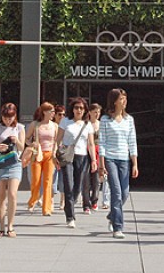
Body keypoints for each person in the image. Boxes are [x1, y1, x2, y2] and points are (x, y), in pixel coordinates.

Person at [98, 88, 138, 239]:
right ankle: (118, 227)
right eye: (121, 98)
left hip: (124, 159)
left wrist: (135, 163)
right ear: (114, 101)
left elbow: (132, 142)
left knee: (125, 193)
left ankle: (112, 215)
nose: (124, 101)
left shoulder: (129, 120)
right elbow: (102, 142)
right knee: (116, 191)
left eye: (125, 98)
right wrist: (101, 164)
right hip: (110, 158)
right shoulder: (105, 120)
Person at [56, 97, 97, 229]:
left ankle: (69, 205)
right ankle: (70, 216)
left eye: (81, 108)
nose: (78, 110)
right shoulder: (65, 121)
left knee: (78, 186)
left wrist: (94, 160)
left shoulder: (87, 124)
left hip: (82, 157)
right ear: (72, 109)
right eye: (76, 107)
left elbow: (90, 143)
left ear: (85, 110)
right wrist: (55, 154)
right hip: (68, 156)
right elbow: (58, 139)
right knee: (68, 184)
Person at [0, 102, 25, 237]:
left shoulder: (20, 128)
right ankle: (1, 227)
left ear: (15, 116)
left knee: (12, 194)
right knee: (0, 197)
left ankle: (10, 226)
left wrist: (16, 141)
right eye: (5, 117)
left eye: (10, 117)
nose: (7, 120)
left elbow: (22, 148)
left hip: (14, 163)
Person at [26, 102, 58, 216]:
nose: (53, 113)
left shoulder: (54, 126)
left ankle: (47, 208)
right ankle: (32, 200)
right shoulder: (35, 124)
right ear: (44, 112)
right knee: (36, 180)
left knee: (48, 181)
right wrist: (32, 144)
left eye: (53, 111)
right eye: (51, 111)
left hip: (50, 155)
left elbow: (57, 141)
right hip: (37, 154)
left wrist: (55, 152)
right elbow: (27, 139)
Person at [81, 102, 103, 212]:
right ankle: (86, 203)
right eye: (95, 112)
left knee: (96, 179)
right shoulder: (85, 124)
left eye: (98, 112)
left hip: (98, 152)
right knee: (85, 179)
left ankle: (94, 200)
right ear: (89, 112)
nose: (97, 114)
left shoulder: (101, 124)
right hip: (85, 151)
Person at [52, 104, 66, 211]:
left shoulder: (66, 126)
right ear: (55, 115)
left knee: (63, 179)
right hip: (52, 154)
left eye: (63, 115)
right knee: (52, 178)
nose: (62, 117)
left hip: (63, 154)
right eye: (59, 114)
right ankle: (50, 201)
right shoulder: (51, 126)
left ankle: (62, 201)